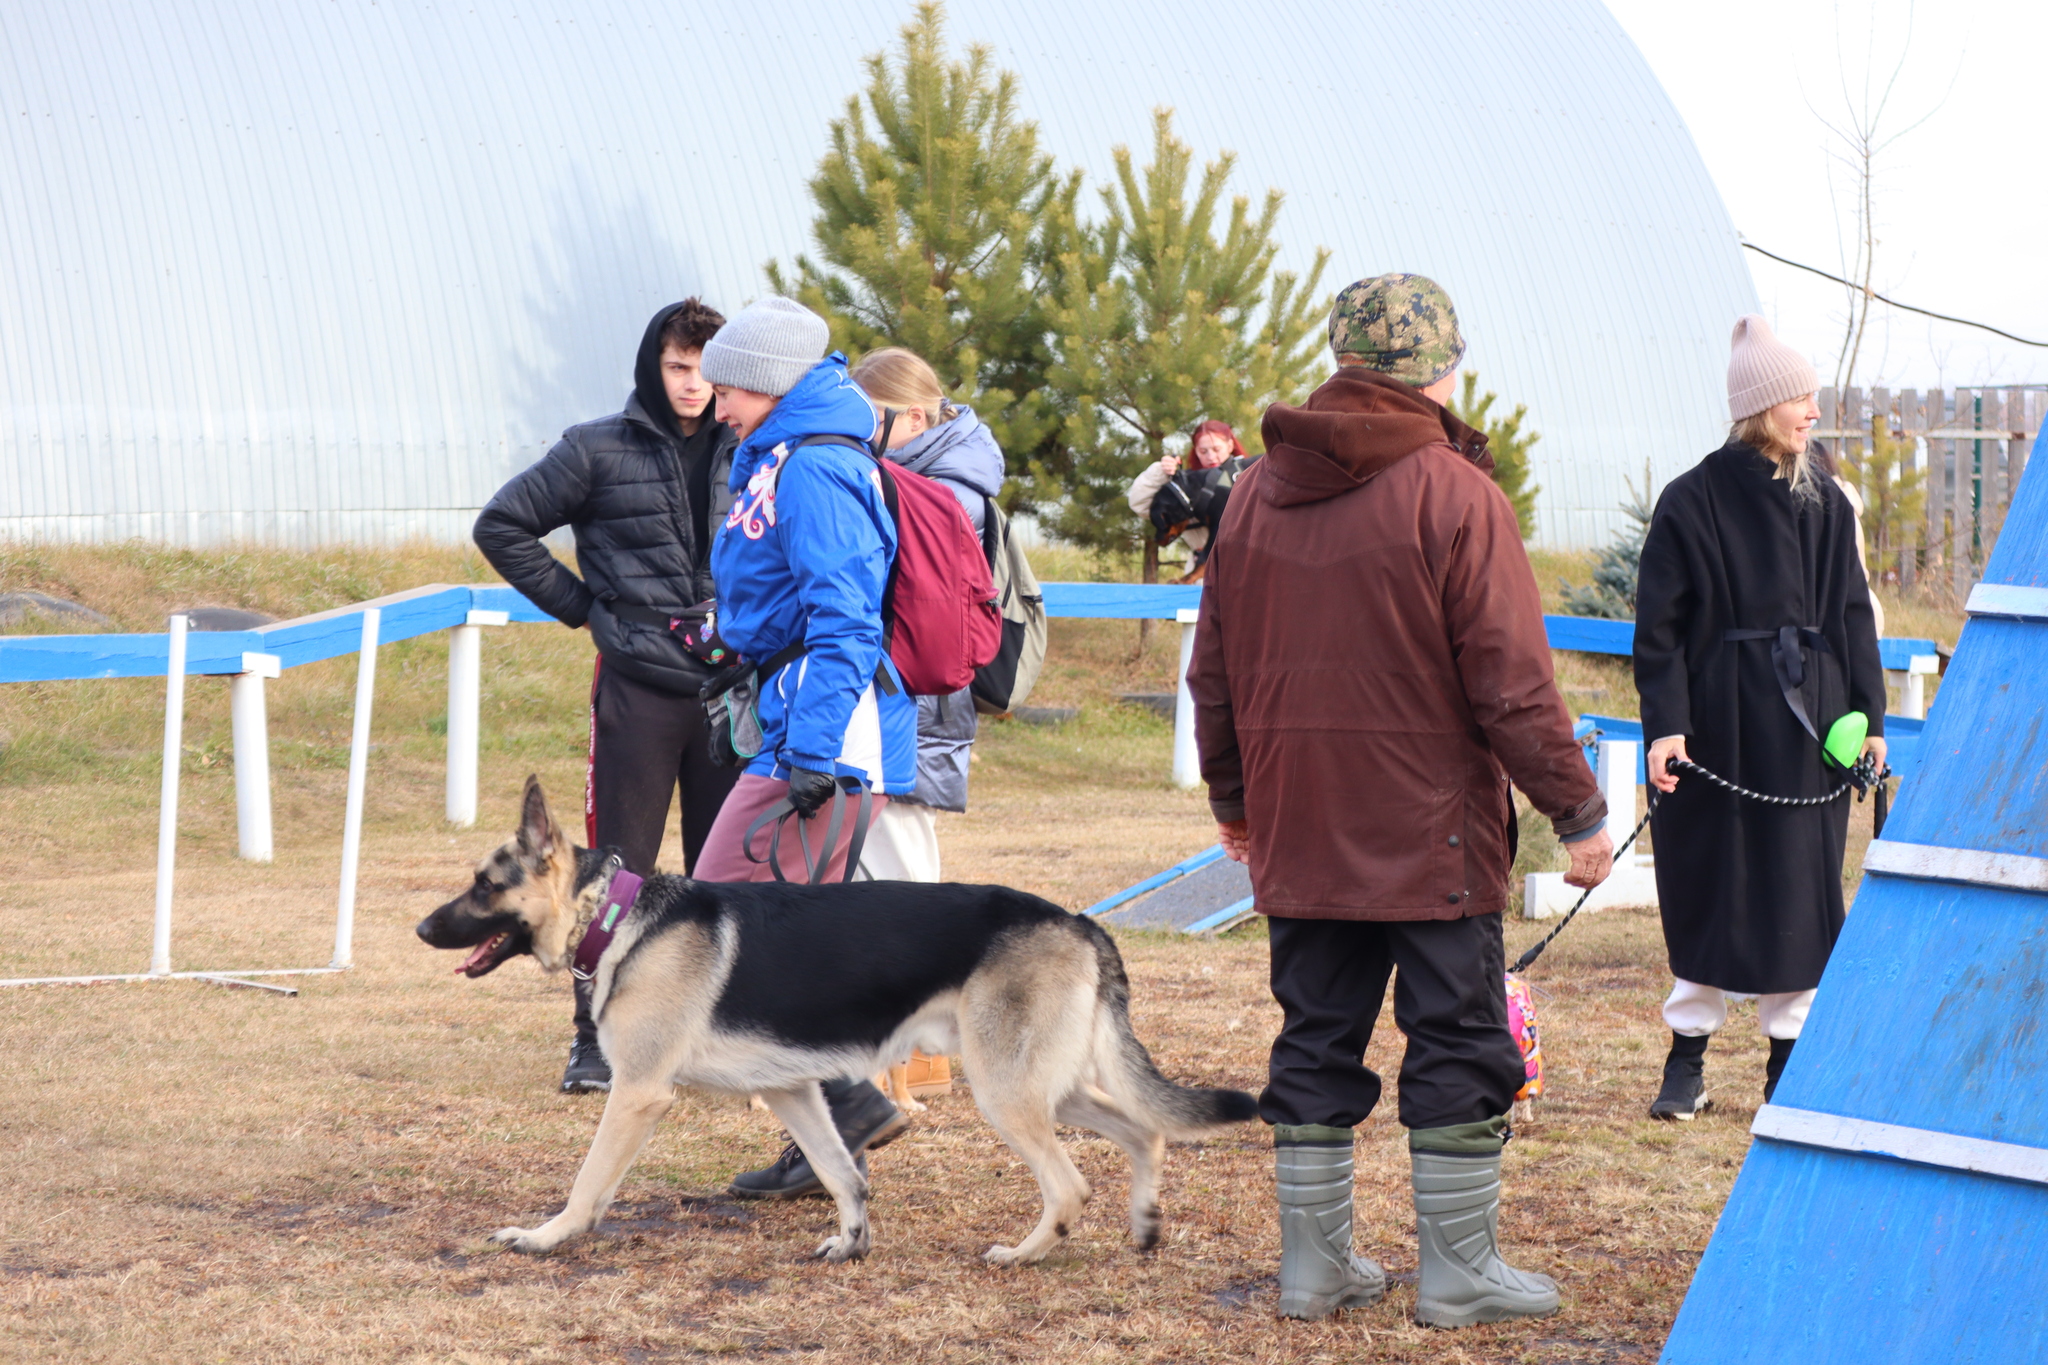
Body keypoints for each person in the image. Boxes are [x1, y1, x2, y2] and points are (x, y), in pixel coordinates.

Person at [1187, 273, 1614, 1329]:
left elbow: (1214, 673)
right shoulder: (1455, 495)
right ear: (1440, 369)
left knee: (1315, 1037)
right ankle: (1457, 1276)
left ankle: (1312, 1270)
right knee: (1458, 1040)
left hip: (1300, 825)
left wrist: (1235, 802)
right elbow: (1511, 682)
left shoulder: (1249, 495)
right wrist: (1579, 813)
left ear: (1339, 360)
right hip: (1432, 838)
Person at [473, 298, 743, 1095]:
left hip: (733, 689)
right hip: (637, 691)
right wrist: (585, 606)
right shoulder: (595, 448)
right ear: (652, 366)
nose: (693, 384)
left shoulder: (756, 448)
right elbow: (503, 525)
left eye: (706, 368)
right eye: (678, 366)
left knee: (723, 870)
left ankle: (713, 1033)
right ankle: (594, 1041)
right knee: (615, 871)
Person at [686, 297, 920, 1199]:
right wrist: (725, 632)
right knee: (777, 946)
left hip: (819, 749)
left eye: (729, 386)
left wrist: (812, 754)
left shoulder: (815, 469)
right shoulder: (783, 457)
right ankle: (829, 1143)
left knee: (716, 923)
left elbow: (848, 622)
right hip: (797, 730)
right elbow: (790, 598)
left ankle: (849, 1103)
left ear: (771, 383)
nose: (716, 403)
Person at [1634, 315, 1886, 1121]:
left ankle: (1787, 1061)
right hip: (1715, 725)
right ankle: (1688, 1058)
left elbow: (1853, 617)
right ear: (1760, 406)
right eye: (1799, 398)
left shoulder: (1828, 502)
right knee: (1709, 879)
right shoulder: (1690, 500)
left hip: (1809, 731)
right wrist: (1665, 728)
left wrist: (1870, 718)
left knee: (1799, 889)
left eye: (1813, 396)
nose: (1814, 410)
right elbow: (1659, 632)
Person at [844, 346, 1008, 1106]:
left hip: (915, 695)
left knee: (899, 865)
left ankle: (909, 1052)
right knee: (895, 861)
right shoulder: (949, 470)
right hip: (913, 693)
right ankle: (915, 1051)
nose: (858, 431)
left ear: (912, 415)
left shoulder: (944, 489)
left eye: (869, 417)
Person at [1126, 420, 1248, 569]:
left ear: (1230, 446)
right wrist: (1160, 472)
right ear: (1195, 451)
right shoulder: (1187, 491)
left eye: (1216, 449)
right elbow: (1140, 505)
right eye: (1203, 451)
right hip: (1201, 570)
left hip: (1244, 566)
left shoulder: (1249, 477)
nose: (1211, 456)